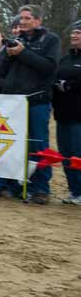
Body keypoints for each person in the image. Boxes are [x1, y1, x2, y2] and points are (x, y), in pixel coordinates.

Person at [0, 5, 61, 204]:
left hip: (36, 101)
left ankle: (40, 189)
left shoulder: (51, 40)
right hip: (12, 102)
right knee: (5, 143)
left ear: (38, 20)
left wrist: (23, 53)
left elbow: (49, 68)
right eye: (21, 18)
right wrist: (4, 84)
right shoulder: (13, 41)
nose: (23, 21)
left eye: (27, 18)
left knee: (38, 145)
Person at [54, 21, 81, 204]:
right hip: (62, 114)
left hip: (79, 116)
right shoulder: (65, 59)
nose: (74, 36)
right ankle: (74, 191)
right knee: (66, 154)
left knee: (78, 154)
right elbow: (55, 76)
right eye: (73, 33)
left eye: (78, 33)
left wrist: (71, 85)